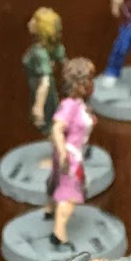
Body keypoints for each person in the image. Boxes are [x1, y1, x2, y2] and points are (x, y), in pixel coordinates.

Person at [47, 57, 98, 248]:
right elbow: (56, 128)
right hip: (70, 157)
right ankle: (58, 234)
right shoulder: (70, 105)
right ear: (81, 83)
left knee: (57, 181)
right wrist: (63, 154)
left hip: (73, 152)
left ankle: (49, 208)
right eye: (89, 79)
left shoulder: (76, 103)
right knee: (70, 195)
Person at [23, 7, 66, 130]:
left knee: (47, 124)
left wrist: (38, 106)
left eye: (34, 20)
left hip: (41, 91)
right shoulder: (53, 47)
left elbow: (45, 81)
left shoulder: (39, 53)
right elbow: (63, 62)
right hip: (40, 88)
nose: (30, 22)